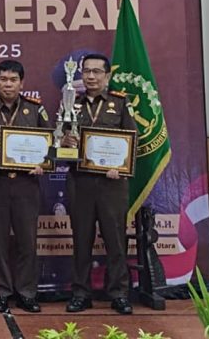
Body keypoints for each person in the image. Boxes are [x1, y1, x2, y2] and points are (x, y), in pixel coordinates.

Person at [0, 60, 50, 313]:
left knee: (27, 242)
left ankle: (27, 293)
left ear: (22, 83)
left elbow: (51, 146)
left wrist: (44, 164)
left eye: (13, 80)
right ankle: (1, 292)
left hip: (26, 184)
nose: (8, 84)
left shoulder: (35, 110)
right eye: (3, 79)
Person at [61, 53, 137, 315]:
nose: (91, 76)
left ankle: (118, 293)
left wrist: (121, 166)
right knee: (81, 239)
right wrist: (64, 144)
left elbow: (133, 140)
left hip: (112, 184)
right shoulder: (71, 103)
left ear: (107, 76)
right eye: (86, 71)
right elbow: (58, 142)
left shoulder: (120, 103)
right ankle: (81, 293)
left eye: (96, 72)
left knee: (115, 239)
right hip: (80, 182)